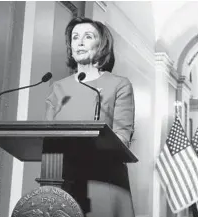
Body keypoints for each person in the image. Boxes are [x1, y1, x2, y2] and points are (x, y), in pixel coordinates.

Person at [44, 17, 135, 217]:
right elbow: (47, 136)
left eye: (88, 36)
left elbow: (122, 137)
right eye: (75, 37)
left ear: (101, 44)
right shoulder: (58, 87)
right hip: (62, 179)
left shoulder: (119, 84)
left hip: (103, 181)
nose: (80, 42)